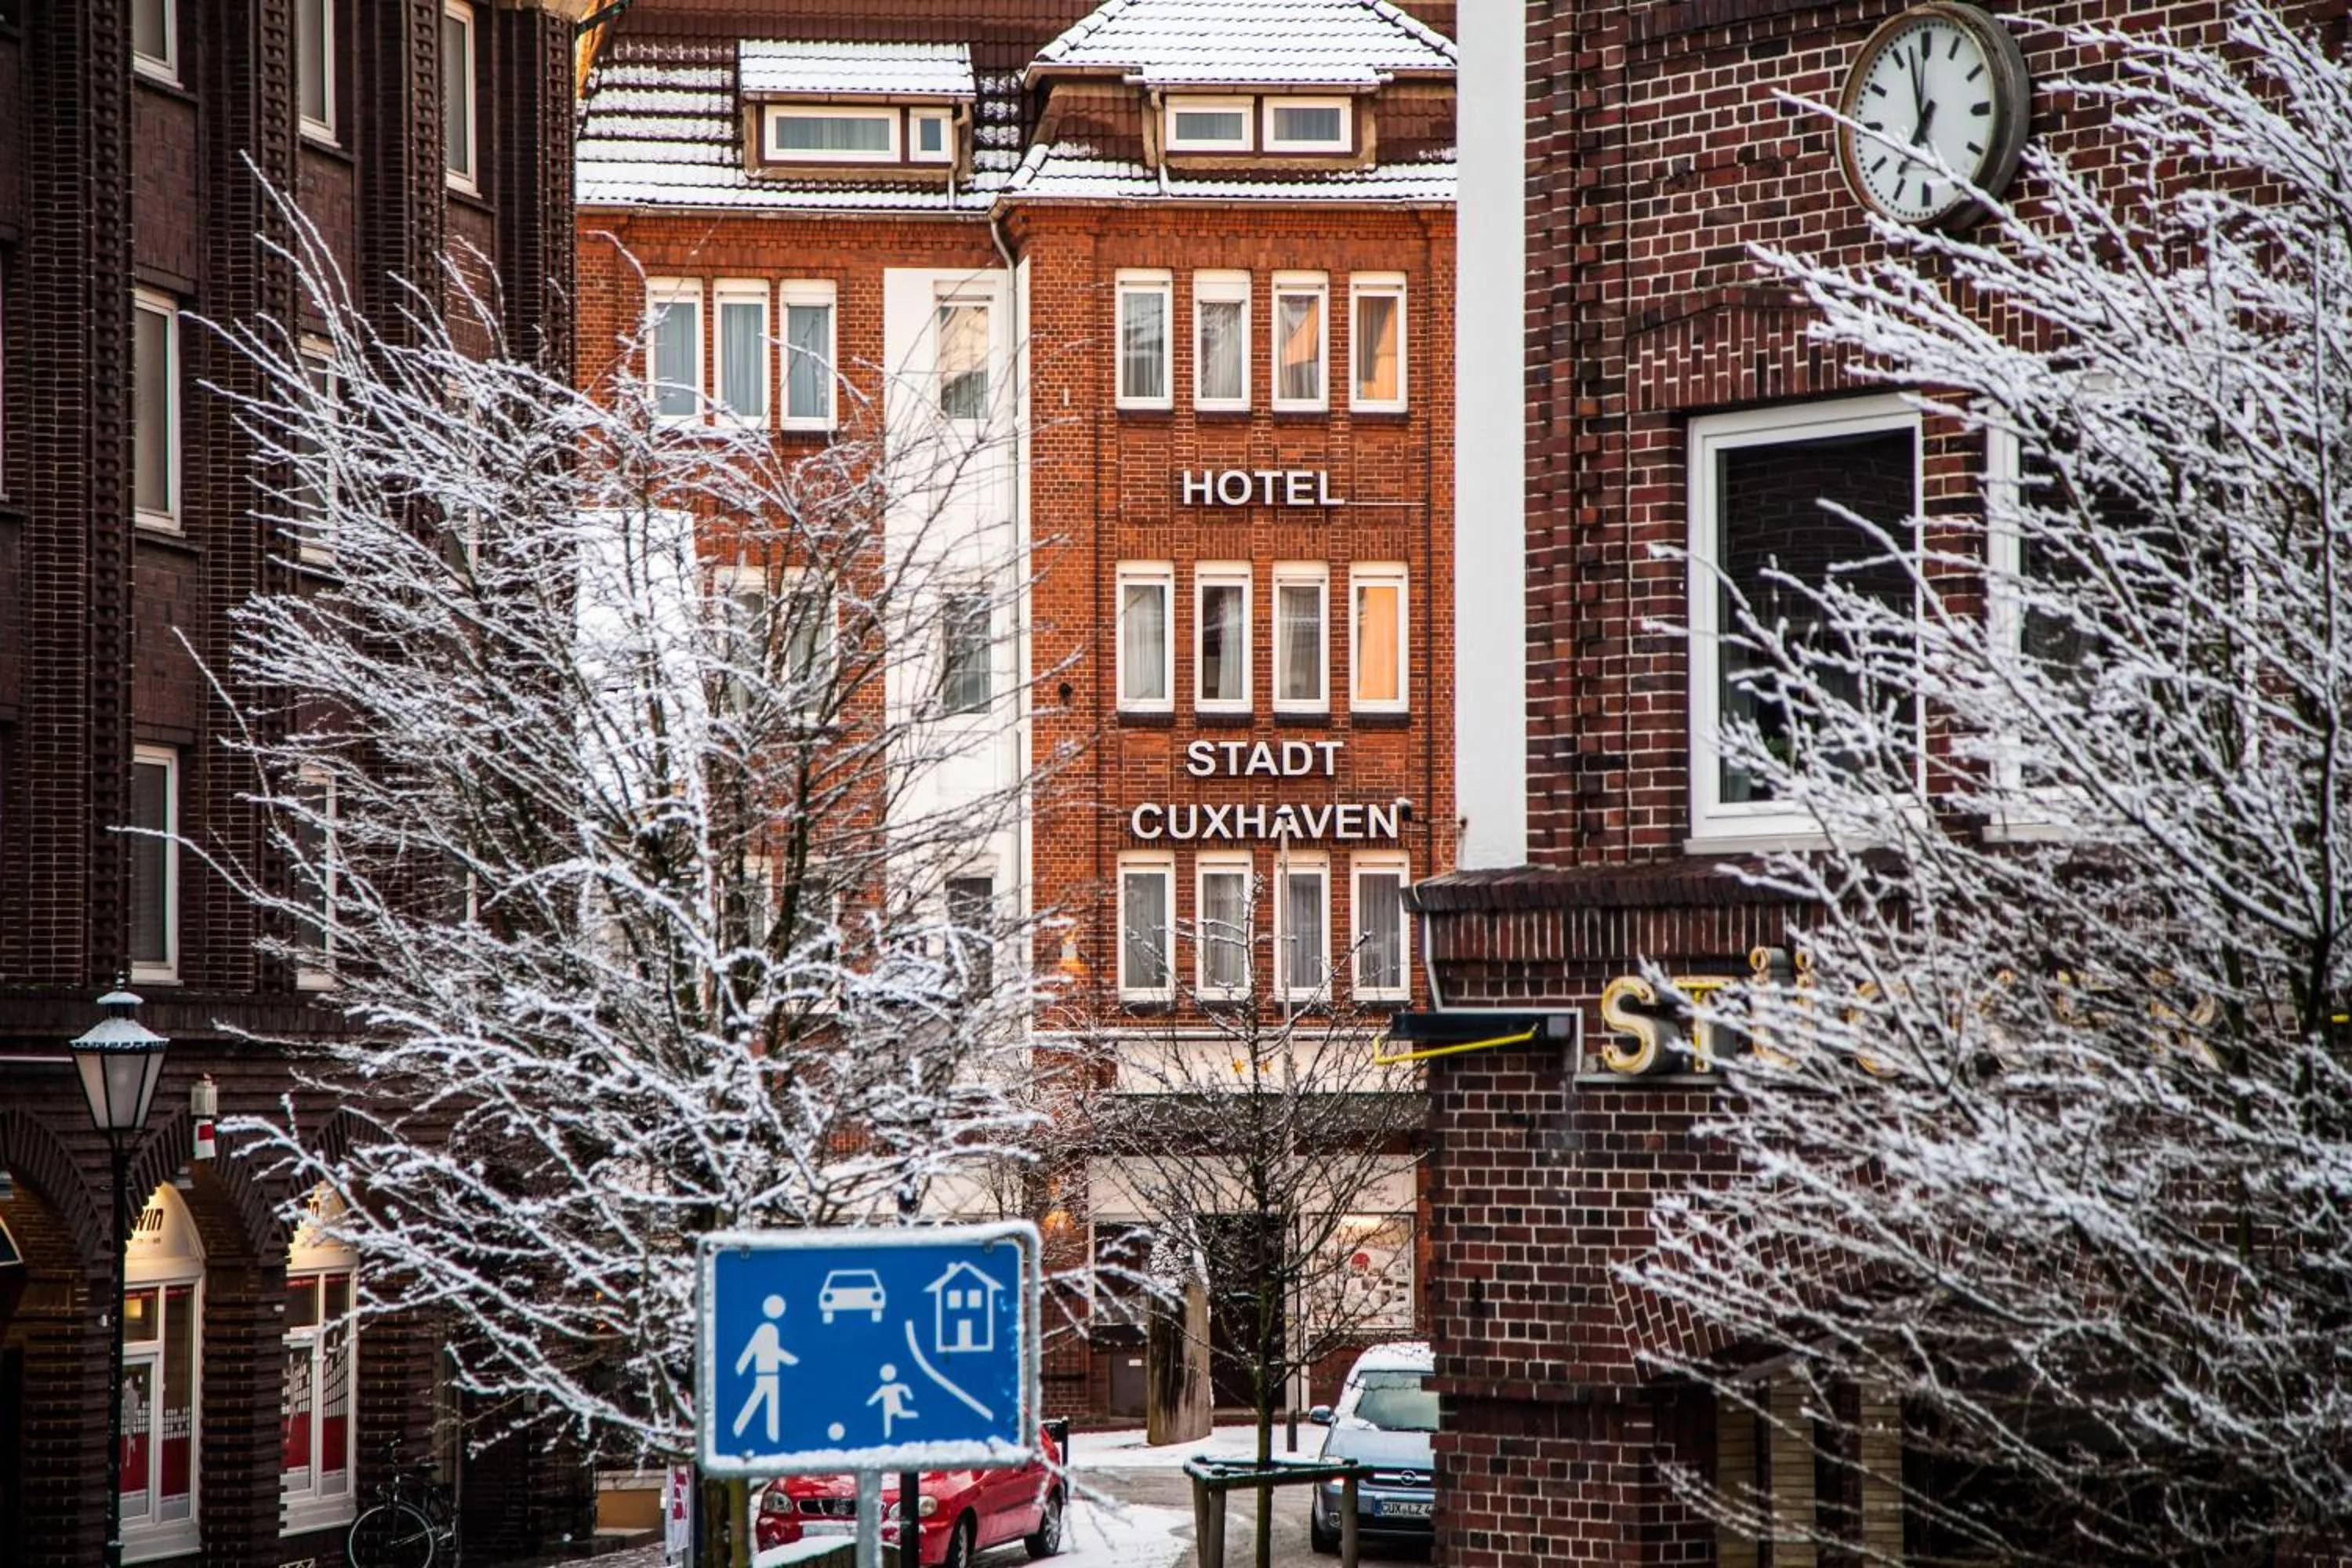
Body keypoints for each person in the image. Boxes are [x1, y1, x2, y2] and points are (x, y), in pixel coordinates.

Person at [732, 1294, 800, 1442]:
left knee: (770, 1403)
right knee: (758, 1399)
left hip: (772, 1373)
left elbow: (754, 1348)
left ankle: (772, 1434)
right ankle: (740, 1426)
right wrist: (790, 1360)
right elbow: (757, 1348)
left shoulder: (771, 1329)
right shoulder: (767, 1329)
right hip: (765, 1372)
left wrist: (742, 1365)